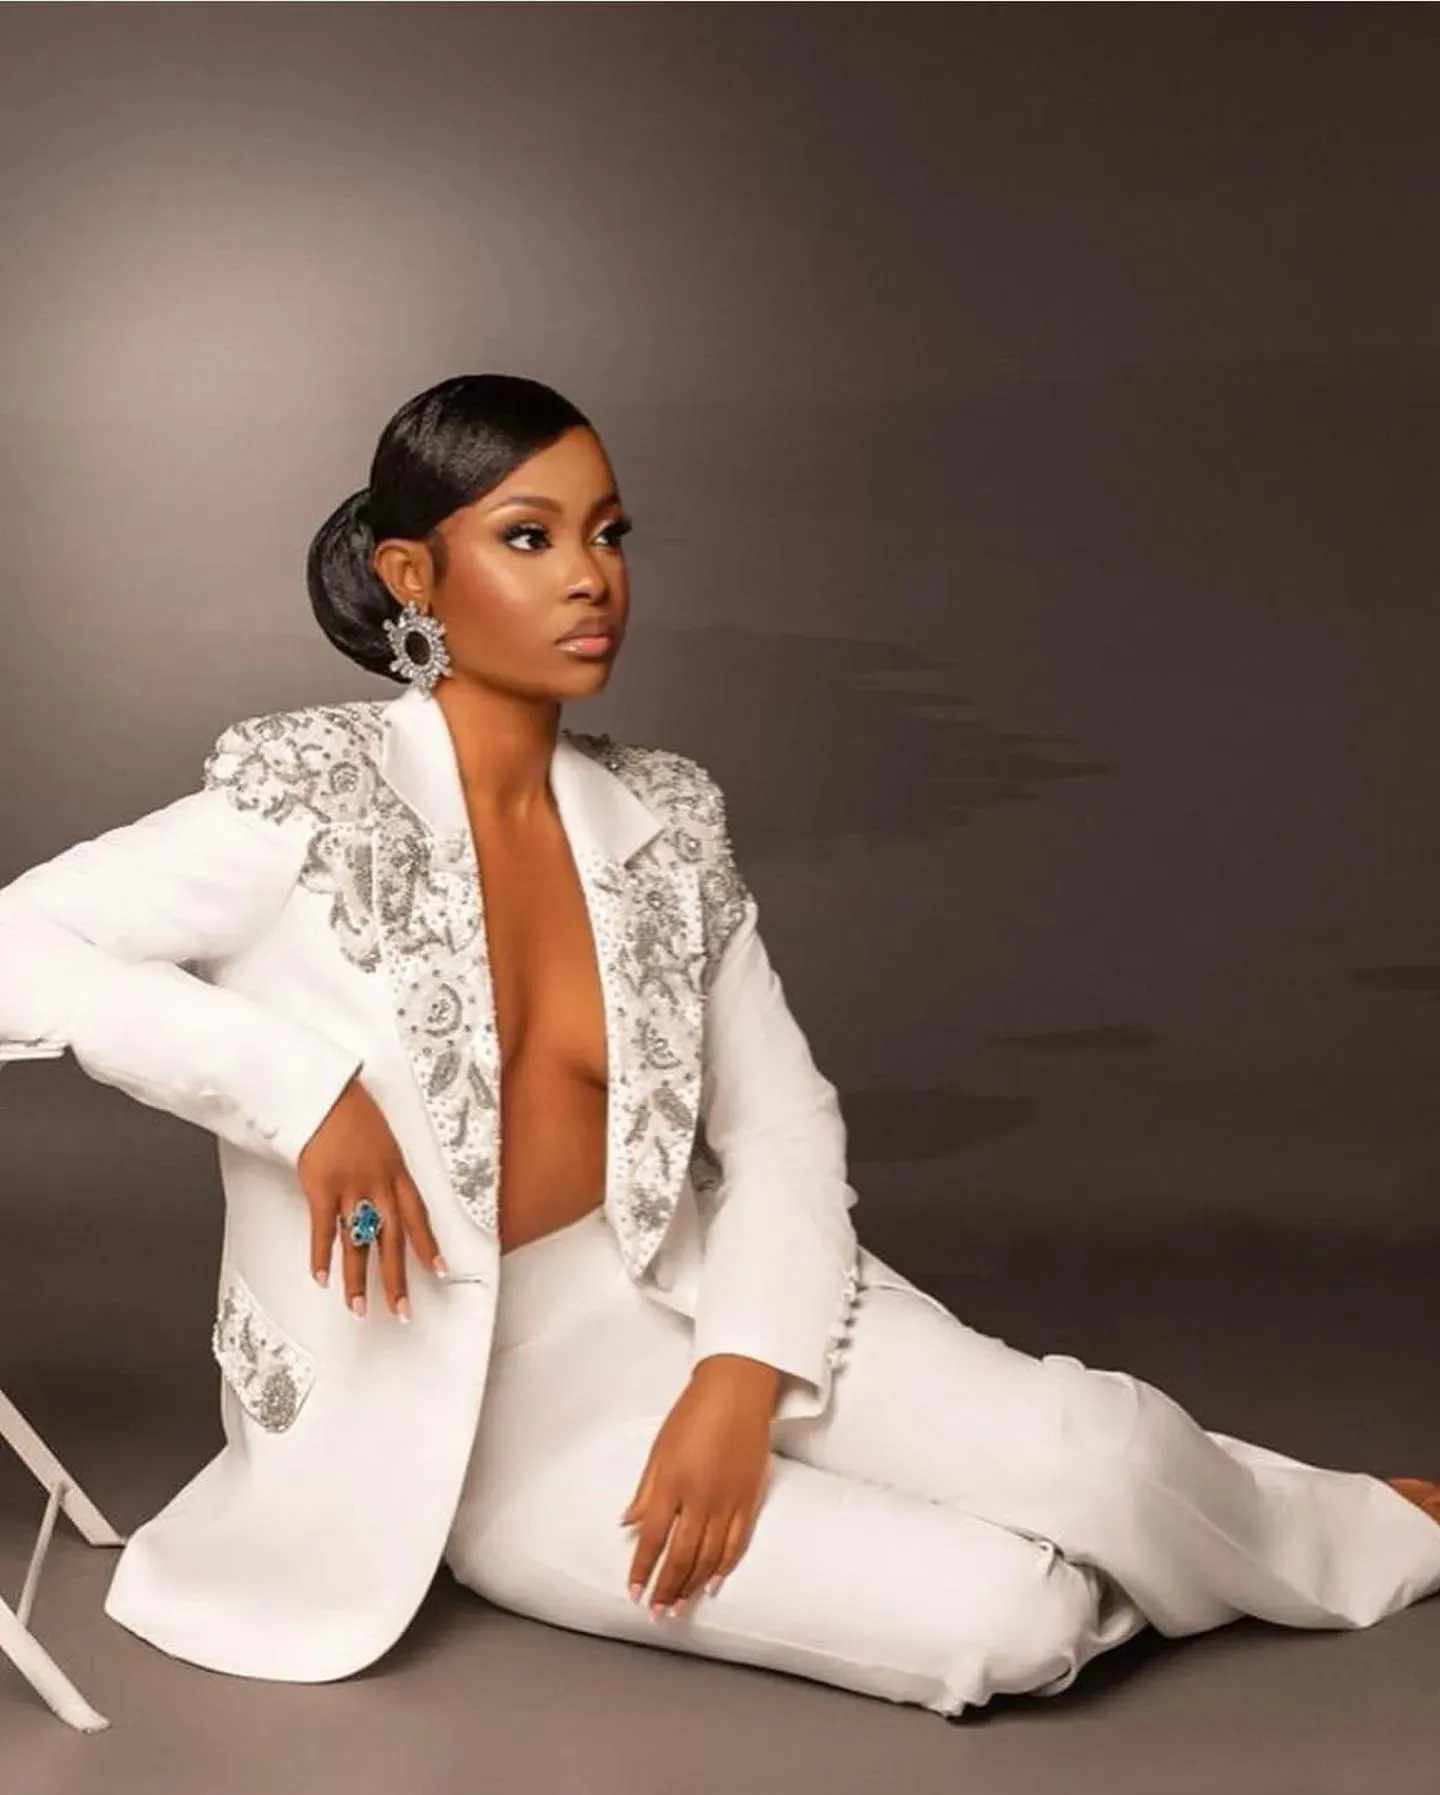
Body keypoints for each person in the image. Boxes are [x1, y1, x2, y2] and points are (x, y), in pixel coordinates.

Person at [1, 373, 1437, 1720]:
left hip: (696, 1287)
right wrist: (305, 1094)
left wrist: (741, 1377)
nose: (590, 576)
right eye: (529, 536)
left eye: (608, 533)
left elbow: (779, 1125)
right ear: (412, 576)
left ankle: (1325, 1524)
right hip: (478, 1415)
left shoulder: (664, 824)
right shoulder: (304, 805)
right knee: (1012, 1621)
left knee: (1105, 1457)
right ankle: (1165, 1537)